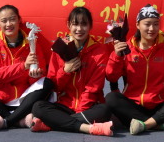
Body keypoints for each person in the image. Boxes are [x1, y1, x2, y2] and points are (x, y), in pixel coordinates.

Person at [105, 4, 164, 135]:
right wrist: (117, 56)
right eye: (147, 24)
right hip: (134, 106)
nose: (152, 29)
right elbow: (111, 76)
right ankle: (159, 124)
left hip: (162, 104)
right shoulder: (126, 47)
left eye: (156, 24)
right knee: (111, 98)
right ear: (138, 25)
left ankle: (144, 124)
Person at [0, 5, 52, 131]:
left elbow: (38, 75)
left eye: (12, 19)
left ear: (19, 20)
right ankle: (16, 120)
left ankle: (6, 121)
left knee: (47, 83)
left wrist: (35, 76)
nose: (8, 24)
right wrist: (23, 66)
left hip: (24, 99)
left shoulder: (32, 42)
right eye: (4, 21)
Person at [30, 7, 114, 136]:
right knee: (38, 107)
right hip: (64, 105)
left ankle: (51, 124)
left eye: (84, 24)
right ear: (69, 25)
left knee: (105, 110)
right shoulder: (59, 48)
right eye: (75, 24)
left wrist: (80, 111)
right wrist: (65, 71)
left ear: (90, 26)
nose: (79, 29)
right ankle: (88, 128)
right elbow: (54, 86)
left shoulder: (100, 51)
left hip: (90, 106)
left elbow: (94, 88)